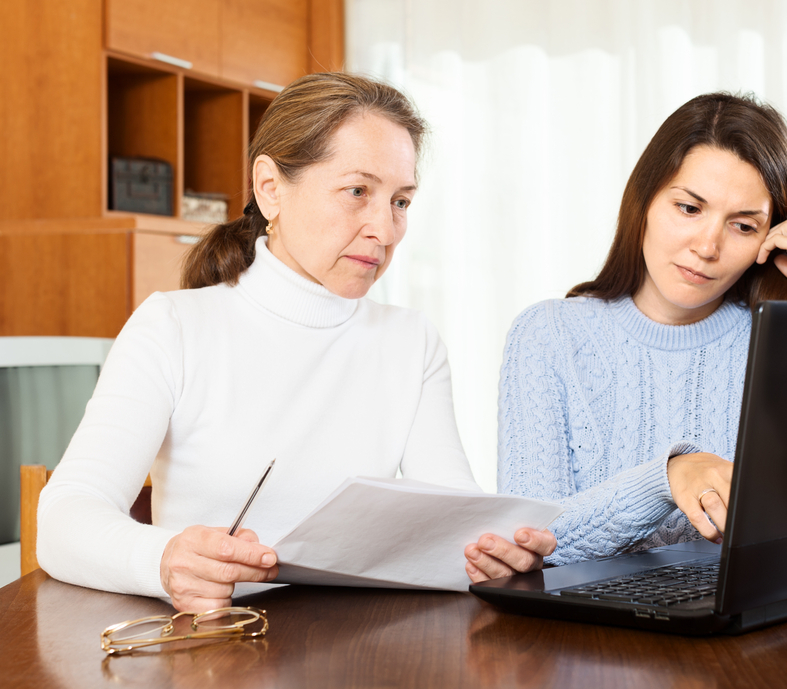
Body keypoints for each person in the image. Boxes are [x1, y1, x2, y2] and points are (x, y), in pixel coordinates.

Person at [36, 72, 546, 612]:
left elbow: (454, 520)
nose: (386, 230)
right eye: (357, 192)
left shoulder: (410, 340)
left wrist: (491, 553)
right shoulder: (174, 326)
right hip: (219, 648)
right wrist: (164, 560)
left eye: (401, 201)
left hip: (360, 649)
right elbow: (64, 519)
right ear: (271, 188)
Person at [464, 92, 787, 580]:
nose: (707, 247)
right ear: (643, 201)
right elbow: (528, 544)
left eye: (743, 225)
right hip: (588, 639)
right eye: (689, 208)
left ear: (769, 239)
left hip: (742, 633)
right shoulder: (548, 335)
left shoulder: (780, 345)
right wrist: (667, 479)